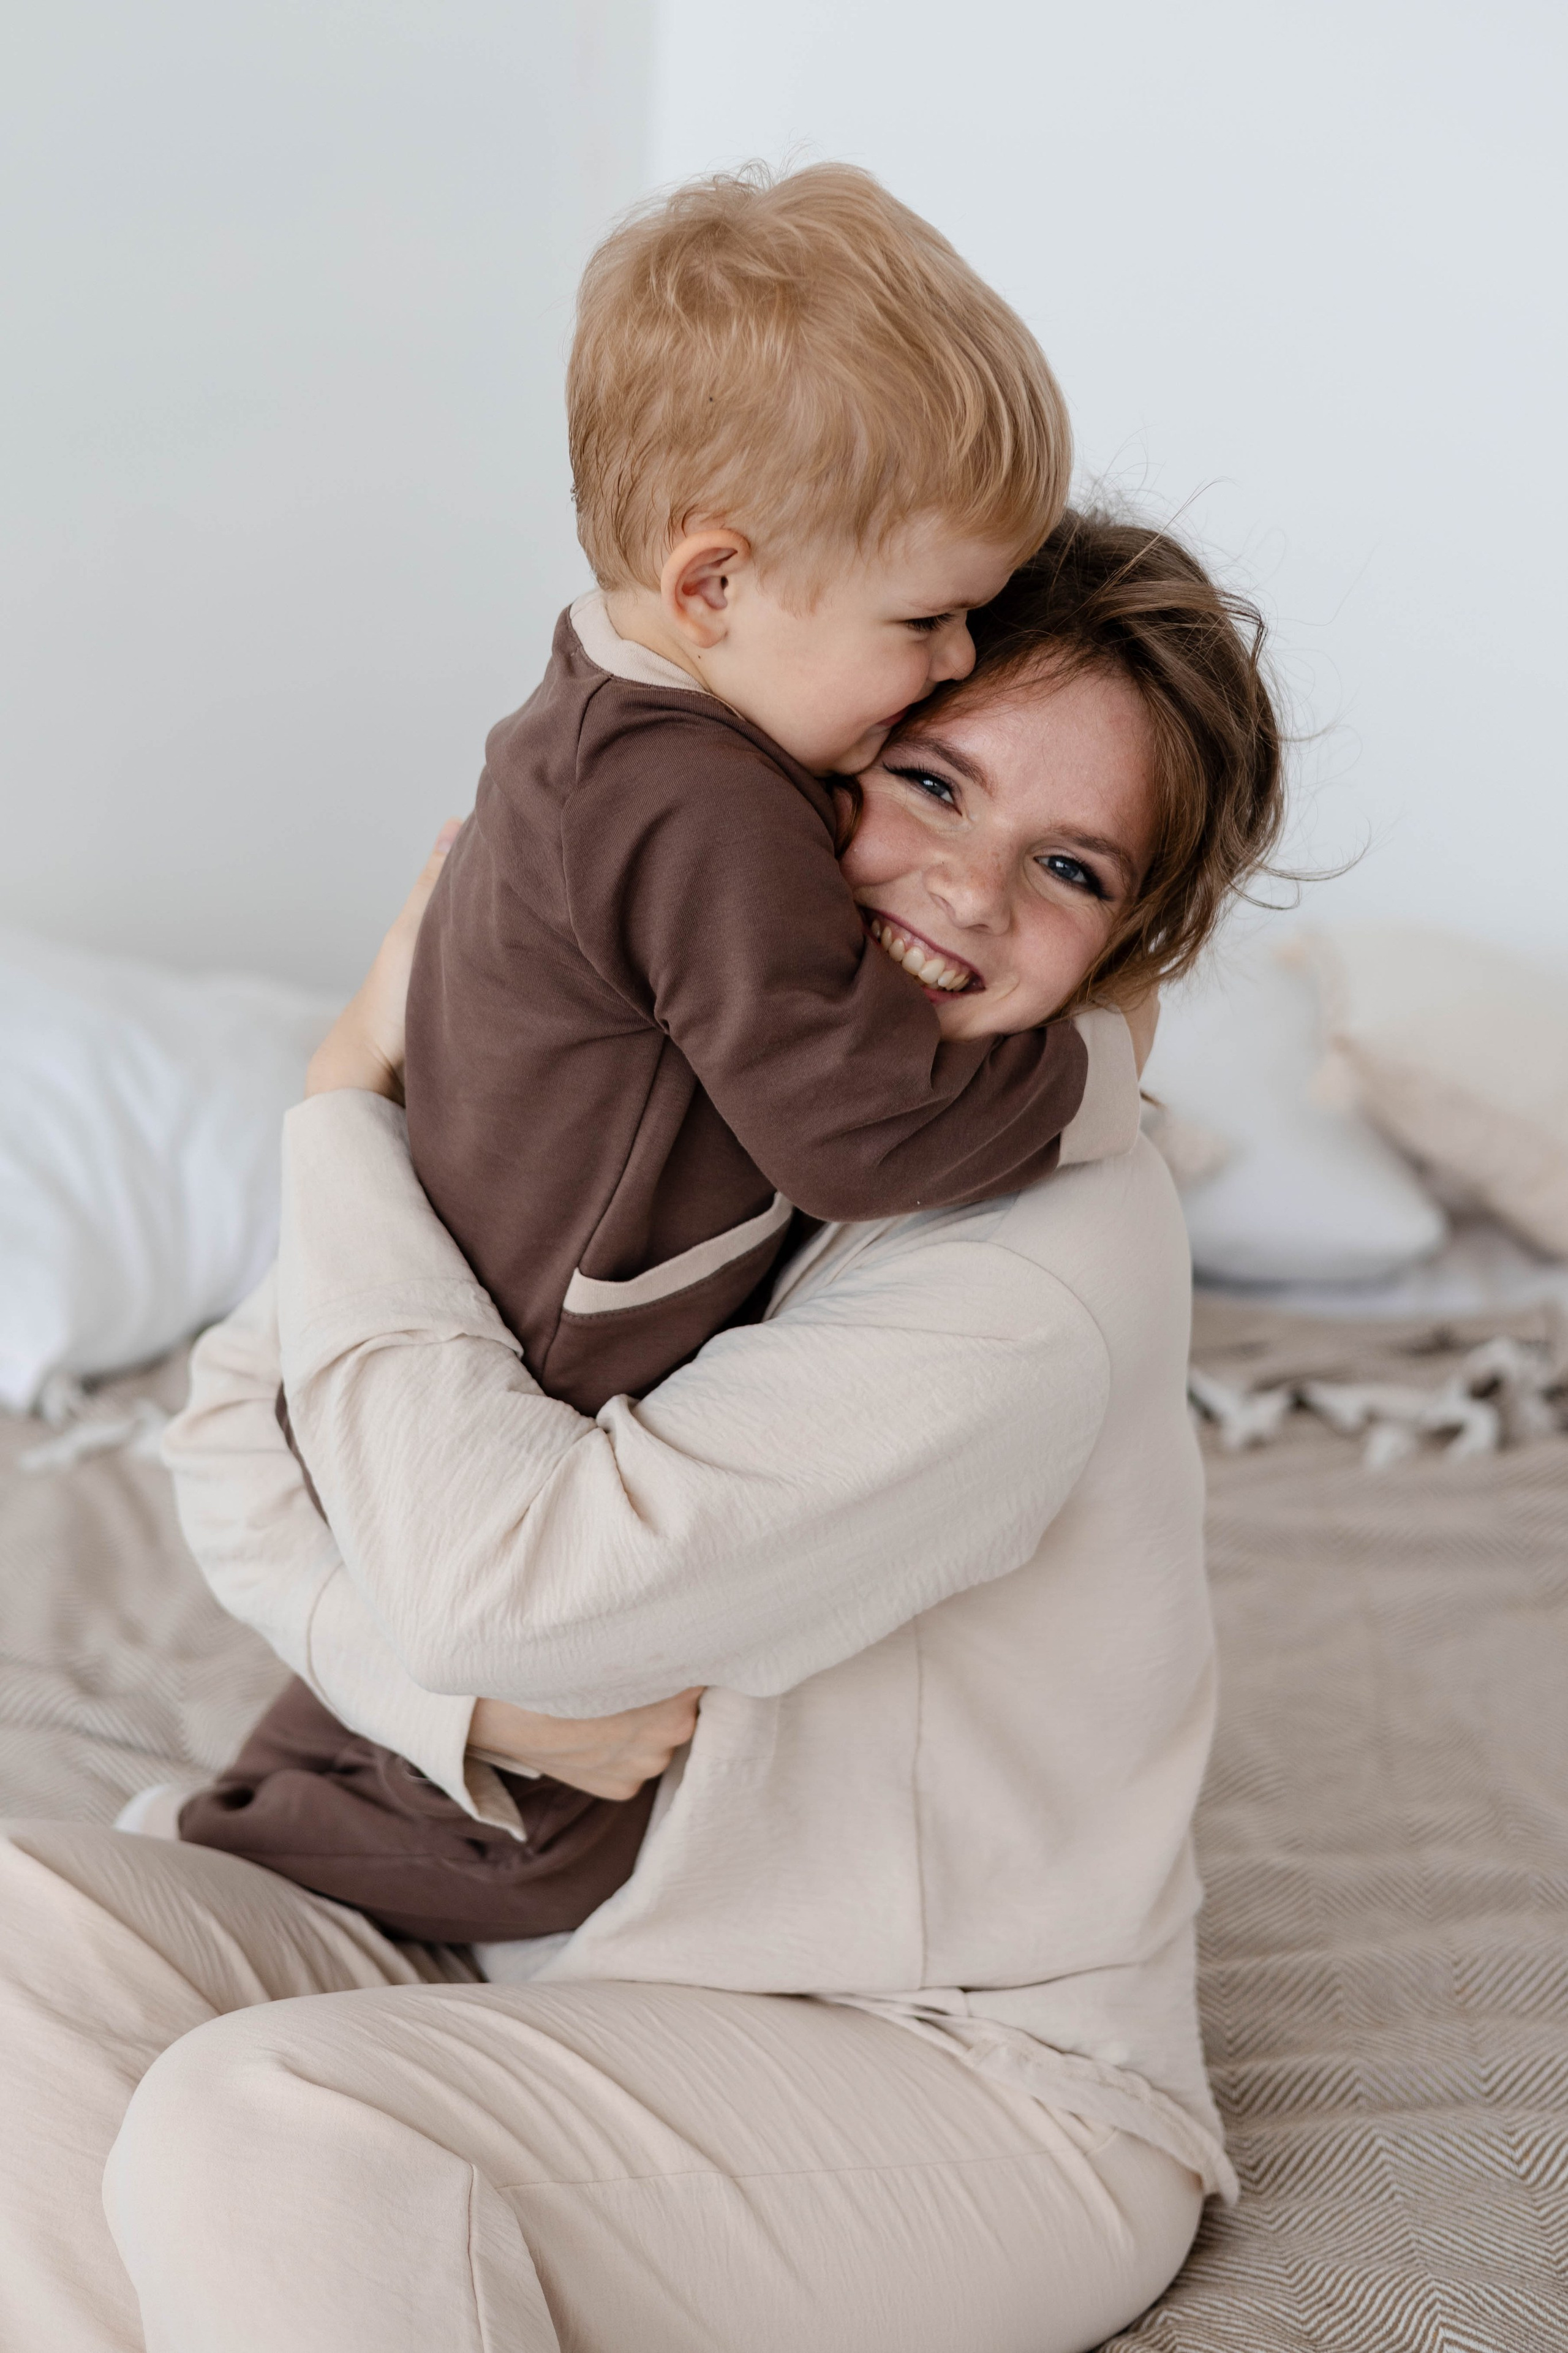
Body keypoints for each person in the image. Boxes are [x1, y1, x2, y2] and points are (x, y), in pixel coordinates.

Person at [0, 509, 1284, 2353]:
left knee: (275, 2122)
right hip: (529, 1946)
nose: (969, 890)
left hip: (941, 2063)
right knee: (25, 1936)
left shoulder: (1040, 1270)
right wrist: (456, 1709)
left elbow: (502, 1596)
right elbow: (230, 1427)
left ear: (1128, 941)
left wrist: (340, 1105)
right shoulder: (644, 1053)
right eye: (931, 782)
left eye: (1070, 865)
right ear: (800, 761)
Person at [173, 161, 1142, 1937]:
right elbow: (861, 1128)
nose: (952, 662)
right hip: (543, 1329)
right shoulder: (706, 809)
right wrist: (1094, 1074)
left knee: (399, 1671)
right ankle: (309, 1862)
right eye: (926, 622)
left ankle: (301, 1811)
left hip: (491, 1271)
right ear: (715, 581)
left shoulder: (587, 717)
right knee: (537, 1792)